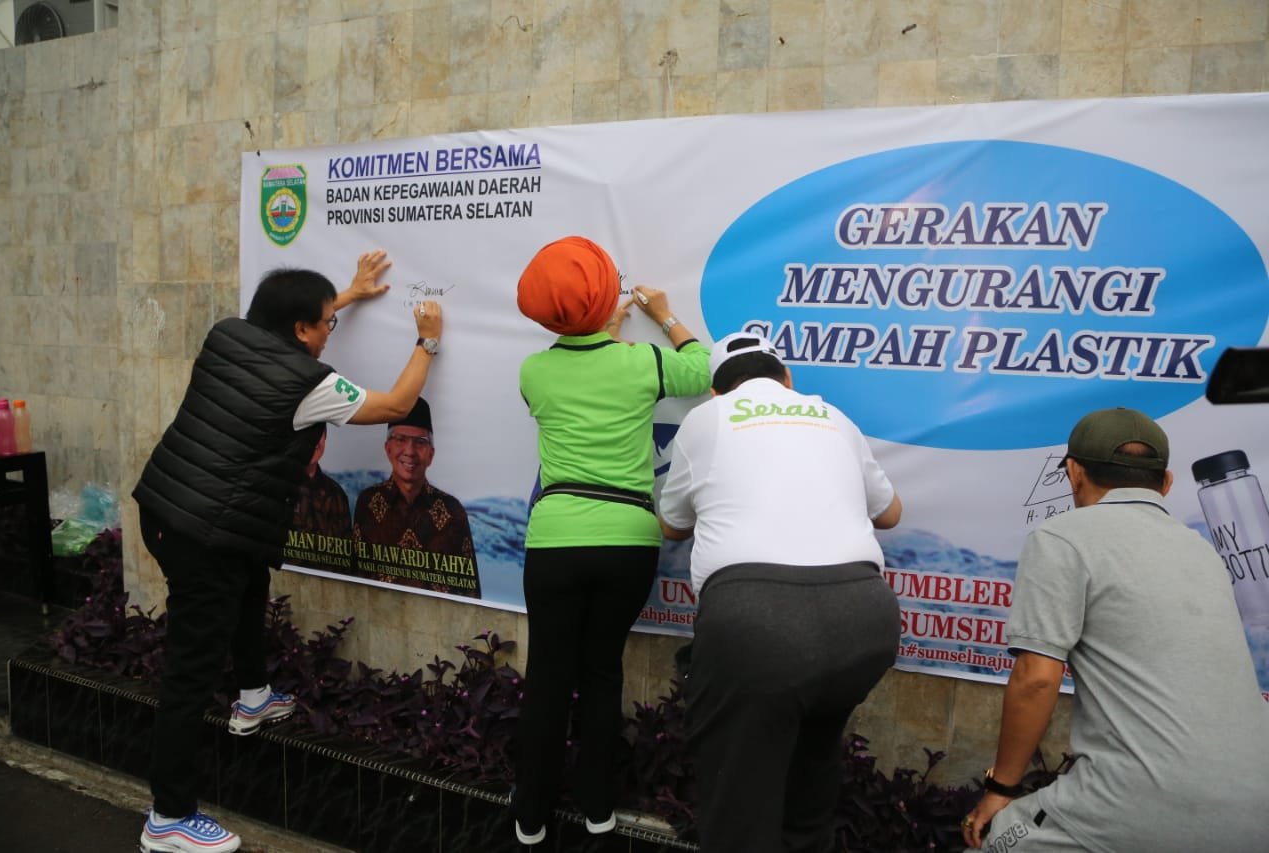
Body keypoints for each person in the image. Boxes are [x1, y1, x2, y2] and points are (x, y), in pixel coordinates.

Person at [132, 250, 444, 853]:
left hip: (166, 510)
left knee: (249, 578)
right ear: (301, 329)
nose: (332, 331)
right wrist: (426, 343)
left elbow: (288, 320)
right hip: (205, 534)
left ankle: (253, 698)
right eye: (327, 322)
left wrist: (346, 296)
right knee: (190, 672)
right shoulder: (310, 386)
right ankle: (167, 817)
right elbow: (395, 407)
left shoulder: (228, 335)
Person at [961, 407, 1269, 853]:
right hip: (1257, 804)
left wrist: (1001, 790)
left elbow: (1036, 678)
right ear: (1165, 484)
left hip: (1137, 804)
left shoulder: (1063, 537)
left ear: (1073, 473)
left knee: (995, 842)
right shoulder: (1202, 550)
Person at [656, 330, 903, 853]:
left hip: (755, 623)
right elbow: (891, 514)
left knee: (738, 806)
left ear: (717, 392)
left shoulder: (708, 419)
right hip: (865, 620)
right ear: (787, 379)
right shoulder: (832, 416)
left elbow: (672, 524)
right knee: (811, 773)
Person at [510, 235, 711, 845]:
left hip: (556, 541)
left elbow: (580, 364)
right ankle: (598, 807)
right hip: (628, 540)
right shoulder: (640, 363)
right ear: (606, 304)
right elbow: (701, 369)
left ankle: (530, 818)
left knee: (547, 676)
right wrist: (666, 315)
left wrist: (601, 329)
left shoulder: (533, 372)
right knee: (601, 673)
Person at [352, 397, 480, 597]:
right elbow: (355, 579)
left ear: (431, 454)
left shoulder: (452, 510)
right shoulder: (368, 502)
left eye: (420, 442)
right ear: (388, 448)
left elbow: (470, 591)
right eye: (401, 439)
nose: (409, 451)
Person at [284, 429, 354, 574]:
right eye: (305, 434)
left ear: (325, 438)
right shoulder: (278, 485)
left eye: (319, 434)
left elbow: (347, 549)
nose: (313, 441)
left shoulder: (336, 493)